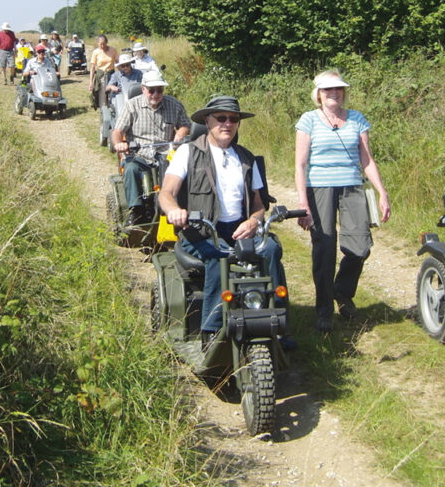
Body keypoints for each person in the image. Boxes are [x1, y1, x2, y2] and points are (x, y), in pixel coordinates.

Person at [159, 95, 291, 348]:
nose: (227, 124)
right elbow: (166, 193)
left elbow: (258, 205)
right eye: (221, 118)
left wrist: (253, 221)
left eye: (233, 119)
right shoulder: (188, 152)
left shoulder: (245, 157)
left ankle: (279, 321)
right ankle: (212, 328)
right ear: (207, 121)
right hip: (201, 230)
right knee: (219, 257)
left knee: (271, 249)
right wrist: (175, 210)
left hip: (239, 229)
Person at [295, 70, 391, 332]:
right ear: (318, 94)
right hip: (319, 188)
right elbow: (300, 165)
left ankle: (342, 291)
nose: (333, 93)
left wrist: (382, 192)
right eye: (327, 90)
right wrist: (304, 204)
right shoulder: (308, 120)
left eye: (338, 89)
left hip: (352, 185)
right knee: (324, 249)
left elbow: (367, 160)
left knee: (360, 245)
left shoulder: (357, 119)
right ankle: (324, 309)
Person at [110, 69, 191, 226]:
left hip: (166, 154)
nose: (155, 94)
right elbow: (117, 131)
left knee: (186, 171)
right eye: (151, 90)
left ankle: (183, 208)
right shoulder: (132, 106)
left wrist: (181, 133)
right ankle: (136, 211)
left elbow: (186, 125)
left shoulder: (174, 105)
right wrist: (119, 143)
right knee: (131, 168)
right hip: (140, 153)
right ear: (143, 89)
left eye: (159, 90)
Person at [88, 34, 119, 110]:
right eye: (100, 44)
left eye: (104, 43)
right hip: (101, 75)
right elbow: (92, 67)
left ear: (107, 42)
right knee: (102, 95)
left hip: (111, 74)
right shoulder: (96, 52)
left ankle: (112, 109)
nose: (102, 45)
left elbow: (118, 62)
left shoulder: (113, 50)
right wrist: (91, 82)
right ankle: (103, 112)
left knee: (112, 94)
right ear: (98, 43)